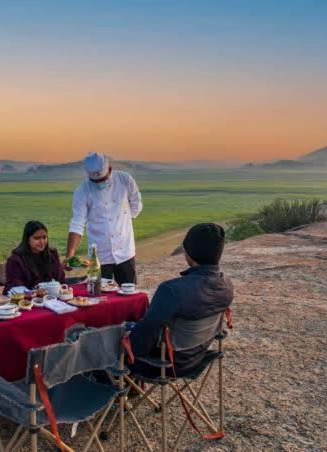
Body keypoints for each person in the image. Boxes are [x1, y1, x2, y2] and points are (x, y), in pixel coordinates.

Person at [128, 223, 234, 377]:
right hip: (198, 357)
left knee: (110, 339)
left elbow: (141, 339)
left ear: (188, 252)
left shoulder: (172, 290)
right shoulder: (227, 285)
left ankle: (111, 391)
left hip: (166, 365)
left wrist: (123, 344)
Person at [65, 152, 143, 284]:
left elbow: (136, 205)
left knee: (129, 291)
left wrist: (123, 224)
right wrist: (70, 255)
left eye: (102, 179)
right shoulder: (82, 191)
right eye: (94, 181)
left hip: (124, 250)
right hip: (99, 255)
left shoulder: (125, 180)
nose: (99, 183)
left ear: (110, 169)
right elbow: (77, 223)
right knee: (99, 293)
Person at [3, 220, 65, 295]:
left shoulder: (52, 254)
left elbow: (60, 280)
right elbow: (15, 286)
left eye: (44, 237)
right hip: (23, 300)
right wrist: (35, 292)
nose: (42, 242)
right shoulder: (15, 260)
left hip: (50, 297)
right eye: (37, 238)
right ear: (27, 240)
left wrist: (61, 268)